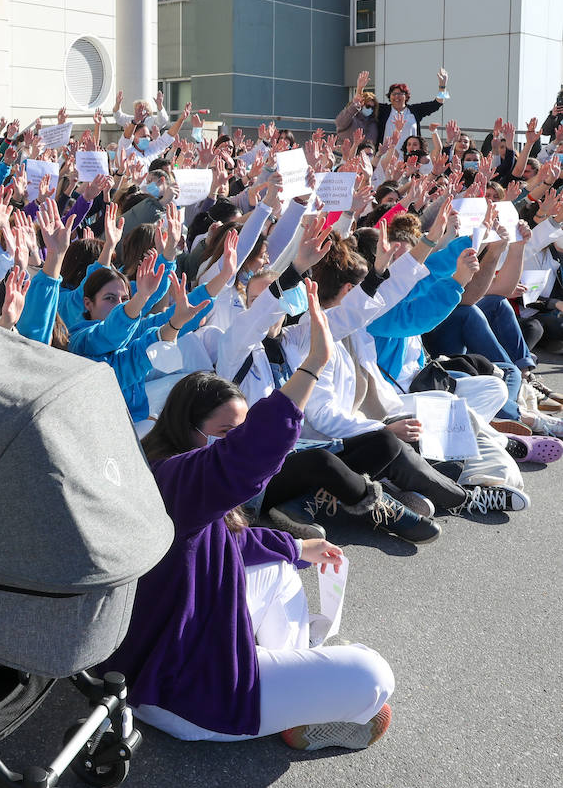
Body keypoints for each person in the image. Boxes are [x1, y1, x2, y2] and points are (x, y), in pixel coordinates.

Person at [104, 286, 397, 749]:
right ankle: (290, 699)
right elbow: (247, 456)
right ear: (188, 428)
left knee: (283, 571)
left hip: (173, 660)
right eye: (226, 433)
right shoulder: (177, 480)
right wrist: (312, 366)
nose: (235, 441)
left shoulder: (169, 472)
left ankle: (292, 691)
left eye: (240, 430)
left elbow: (230, 544)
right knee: (374, 676)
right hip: (191, 696)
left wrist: (299, 547)